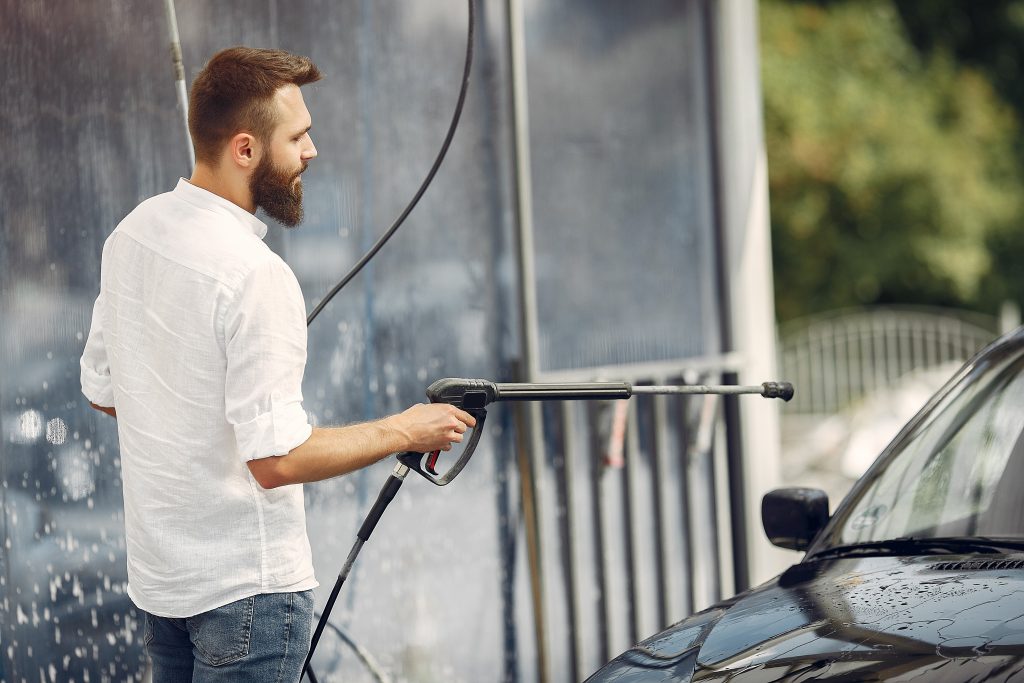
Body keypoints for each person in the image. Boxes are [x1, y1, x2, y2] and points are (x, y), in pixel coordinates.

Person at [79, 46, 476, 682]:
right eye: (298, 137)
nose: (311, 152)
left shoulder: (132, 235)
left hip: (162, 590)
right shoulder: (255, 275)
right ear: (245, 149)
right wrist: (409, 428)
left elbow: (104, 392)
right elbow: (278, 461)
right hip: (250, 599)